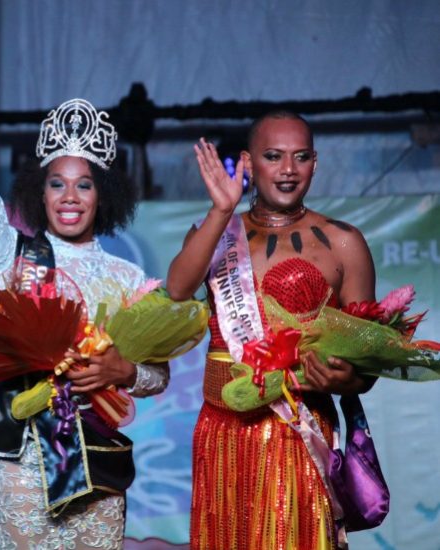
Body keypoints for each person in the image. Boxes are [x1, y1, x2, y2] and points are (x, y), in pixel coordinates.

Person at [0, 66, 171, 549]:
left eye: (84, 184)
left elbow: (158, 376)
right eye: (57, 184)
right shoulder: (15, 259)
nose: (69, 197)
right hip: (24, 462)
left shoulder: (129, 279)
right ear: (40, 190)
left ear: (104, 194)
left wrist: (122, 370)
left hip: (99, 463)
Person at [166, 111, 377, 549]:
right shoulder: (217, 233)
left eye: (300, 157)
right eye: (273, 156)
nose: (287, 169)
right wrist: (221, 210)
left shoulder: (344, 242)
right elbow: (178, 289)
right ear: (248, 162)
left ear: (314, 164)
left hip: (297, 430)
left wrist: (346, 379)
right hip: (222, 432)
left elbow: (367, 362)